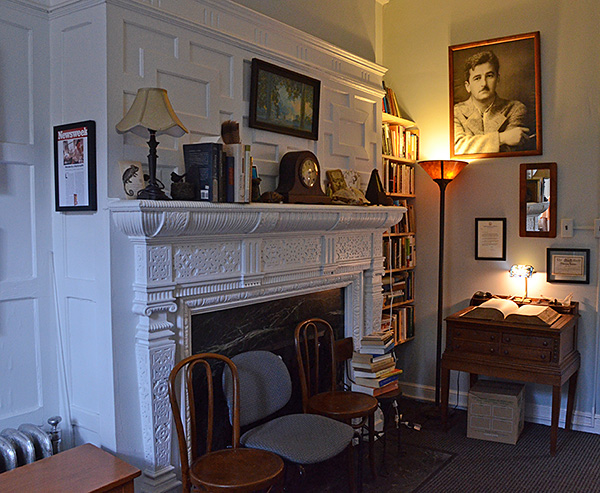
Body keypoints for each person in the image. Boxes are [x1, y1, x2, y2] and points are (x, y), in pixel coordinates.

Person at [454, 50, 531, 155]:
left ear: (498, 79)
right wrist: (501, 138)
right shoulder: (456, 112)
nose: (484, 83)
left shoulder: (515, 109)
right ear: (468, 86)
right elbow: (458, 148)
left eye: (489, 76)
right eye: (477, 78)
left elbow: (509, 152)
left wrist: (472, 144)